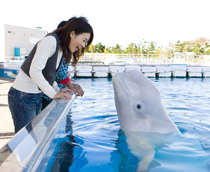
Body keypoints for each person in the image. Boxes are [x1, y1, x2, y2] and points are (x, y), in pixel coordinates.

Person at [8, 17, 94, 133]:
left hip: (34, 95)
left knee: (34, 137)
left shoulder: (60, 48)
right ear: (72, 33)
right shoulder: (50, 41)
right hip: (23, 95)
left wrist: (59, 91)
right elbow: (35, 70)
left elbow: (49, 74)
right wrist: (54, 93)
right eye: (84, 40)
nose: (84, 45)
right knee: (26, 139)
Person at [41, 20, 84, 110]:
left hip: (49, 90)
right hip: (48, 93)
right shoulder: (60, 47)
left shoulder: (58, 45)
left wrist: (67, 79)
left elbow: (59, 69)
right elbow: (61, 73)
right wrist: (71, 86)